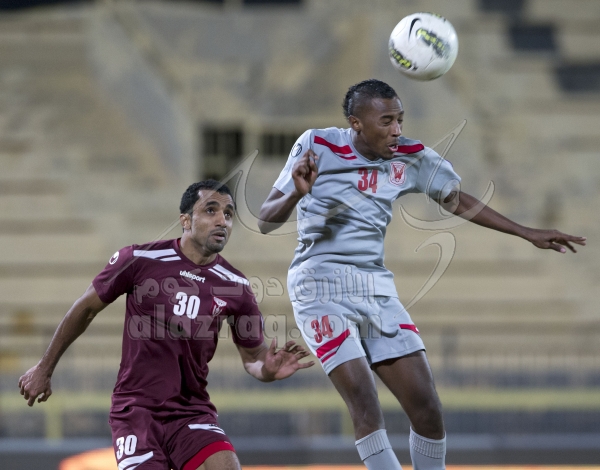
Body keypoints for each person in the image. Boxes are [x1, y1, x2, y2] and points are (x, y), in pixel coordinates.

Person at [258, 79, 586, 470]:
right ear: (356, 123)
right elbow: (264, 220)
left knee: (427, 408)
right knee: (364, 401)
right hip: (319, 285)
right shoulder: (317, 144)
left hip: (374, 286)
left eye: (400, 119)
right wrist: (296, 193)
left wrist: (526, 232)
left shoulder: (411, 156)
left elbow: (455, 199)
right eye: (386, 121)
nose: (397, 129)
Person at [19, 180, 314, 470]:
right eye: (211, 210)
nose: (222, 221)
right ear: (185, 220)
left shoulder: (236, 286)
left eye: (228, 214)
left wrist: (268, 368)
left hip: (192, 412)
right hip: (136, 411)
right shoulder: (139, 259)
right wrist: (44, 368)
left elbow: (253, 357)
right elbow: (85, 309)